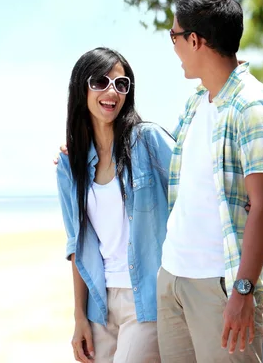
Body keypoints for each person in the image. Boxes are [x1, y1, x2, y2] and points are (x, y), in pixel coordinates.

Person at [157, 0, 263, 362]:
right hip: (173, 278)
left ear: (194, 40)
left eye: (174, 35)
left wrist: (243, 291)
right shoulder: (198, 101)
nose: (174, 46)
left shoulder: (253, 105)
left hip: (220, 285)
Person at [56, 47, 174, 363]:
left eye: (121, 84)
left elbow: (192, 195)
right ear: (82, 88)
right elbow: (76, 246)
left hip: (146, 299)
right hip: (99, 305)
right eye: (101, 81)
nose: (112, 91)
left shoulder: (148, 141)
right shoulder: (70, 165)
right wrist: (79, 316)